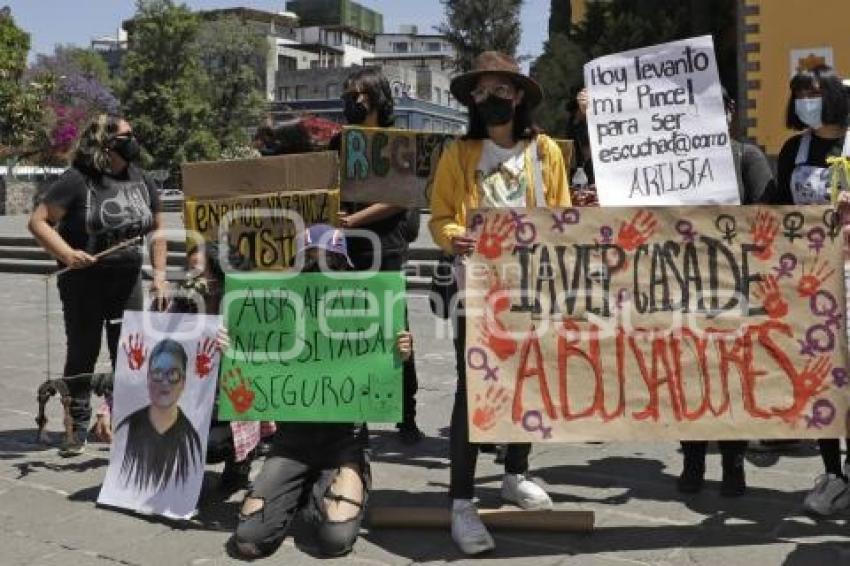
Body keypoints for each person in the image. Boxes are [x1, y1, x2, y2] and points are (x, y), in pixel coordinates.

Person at [429, 51, 571, 555]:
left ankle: (515, 473)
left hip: (531, 287)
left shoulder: (546, 151)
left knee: (527, 381)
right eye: (481, 93)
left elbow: (561, 215)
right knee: (474, 390)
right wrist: (453, 237)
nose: (490, 100)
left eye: (499, 91)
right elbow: (440, 215)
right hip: (478, 291)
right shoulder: (458, 153)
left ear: (518, 97)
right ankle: (462, 502)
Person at [225, 224, 413, 559]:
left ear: (344, 268)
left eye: (331, 261)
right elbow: (252, 374)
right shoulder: (281, 313)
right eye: (311, 260)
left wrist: (398, 353)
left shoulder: (363, 311)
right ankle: (297, 487)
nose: (320, 269)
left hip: (344, 439)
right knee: (249, 540)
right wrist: (233, 348)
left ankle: (318, 490)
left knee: (334, 540)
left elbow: (381, 380)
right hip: (292, 439)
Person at [29, 114, 167, 457]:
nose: (133, 140)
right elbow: (38, 221)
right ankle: (75, 425)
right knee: (83, 351)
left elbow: (158, 231)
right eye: (126, 135)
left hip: (128, 280)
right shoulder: (78, 180)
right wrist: (67, 253)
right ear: (106, 141)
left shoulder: (142, 179)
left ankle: (125, 420)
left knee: (130, 352)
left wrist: (160, 277)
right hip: (83, 283)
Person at [677, 89, 776, 497]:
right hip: (685, 283)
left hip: (737, 283)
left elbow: (767, 213)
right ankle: (693, 459)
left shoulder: (747, 157)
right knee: (689, 373)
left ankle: (733, 464)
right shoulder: (677, 161)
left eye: (723, 107)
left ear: (733, 114)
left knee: (733, 376)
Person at [762, 65, 850, 516]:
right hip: (808, 280)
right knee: (820, 378)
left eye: (813, 92)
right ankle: (833, 472)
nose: (805, 101)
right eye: (798, 94)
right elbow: (776, 205)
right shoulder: (794, 148)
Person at [330, 67, 423, 444]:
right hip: (349, 250)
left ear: (377, 98)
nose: (353, 101)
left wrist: (353, 219)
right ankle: (357, 412)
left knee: (394, 329)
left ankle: (406, 412)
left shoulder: (396, 142)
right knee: (353, 331)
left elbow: (401, 195)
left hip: (386, 247)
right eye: (349, 94)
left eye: (360, 94)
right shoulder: (339, 143)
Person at [116, 339, 203, 492]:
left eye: (173, 374)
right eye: (157, 373)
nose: (165, 381)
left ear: (183, 382)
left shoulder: (192, 441)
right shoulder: (125, 428)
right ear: (148, 378)